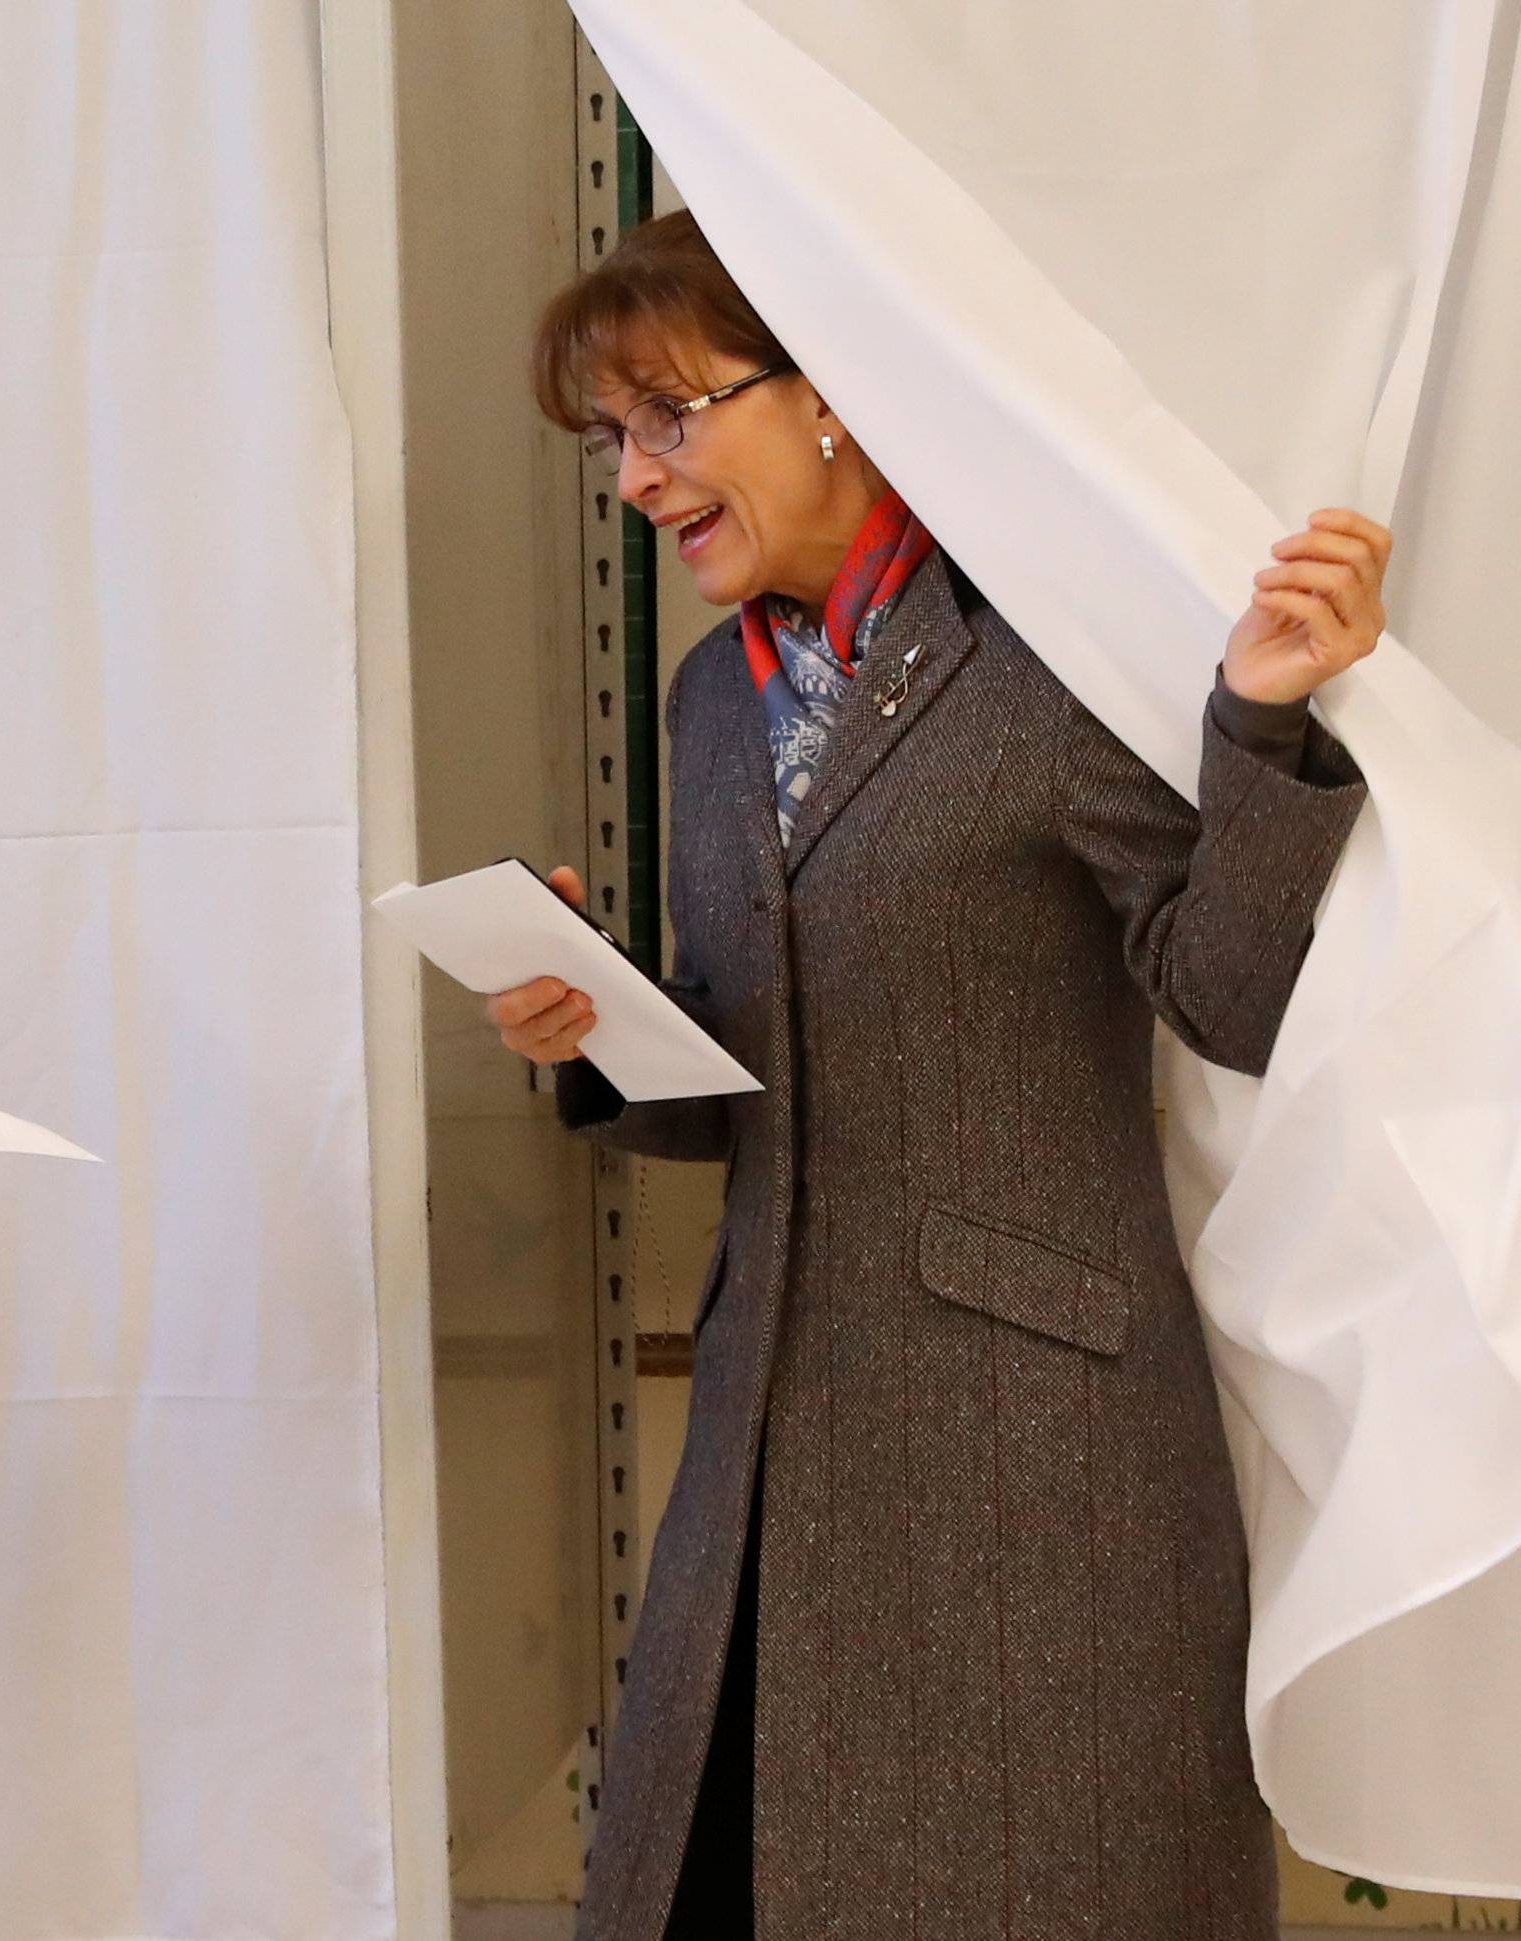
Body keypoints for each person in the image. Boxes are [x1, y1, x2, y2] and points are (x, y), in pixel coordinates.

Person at [488, 208, 1376, 1939]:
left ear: (827, 390)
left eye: (669, 419)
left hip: (1033, 1457)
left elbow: (1237, 1000)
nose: (636, 481)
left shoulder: (1046, 655)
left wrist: (1259, 726)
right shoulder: (708, 706)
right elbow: (757, 1073)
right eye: (614, 440)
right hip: (762, 1445)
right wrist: (600, 1030)